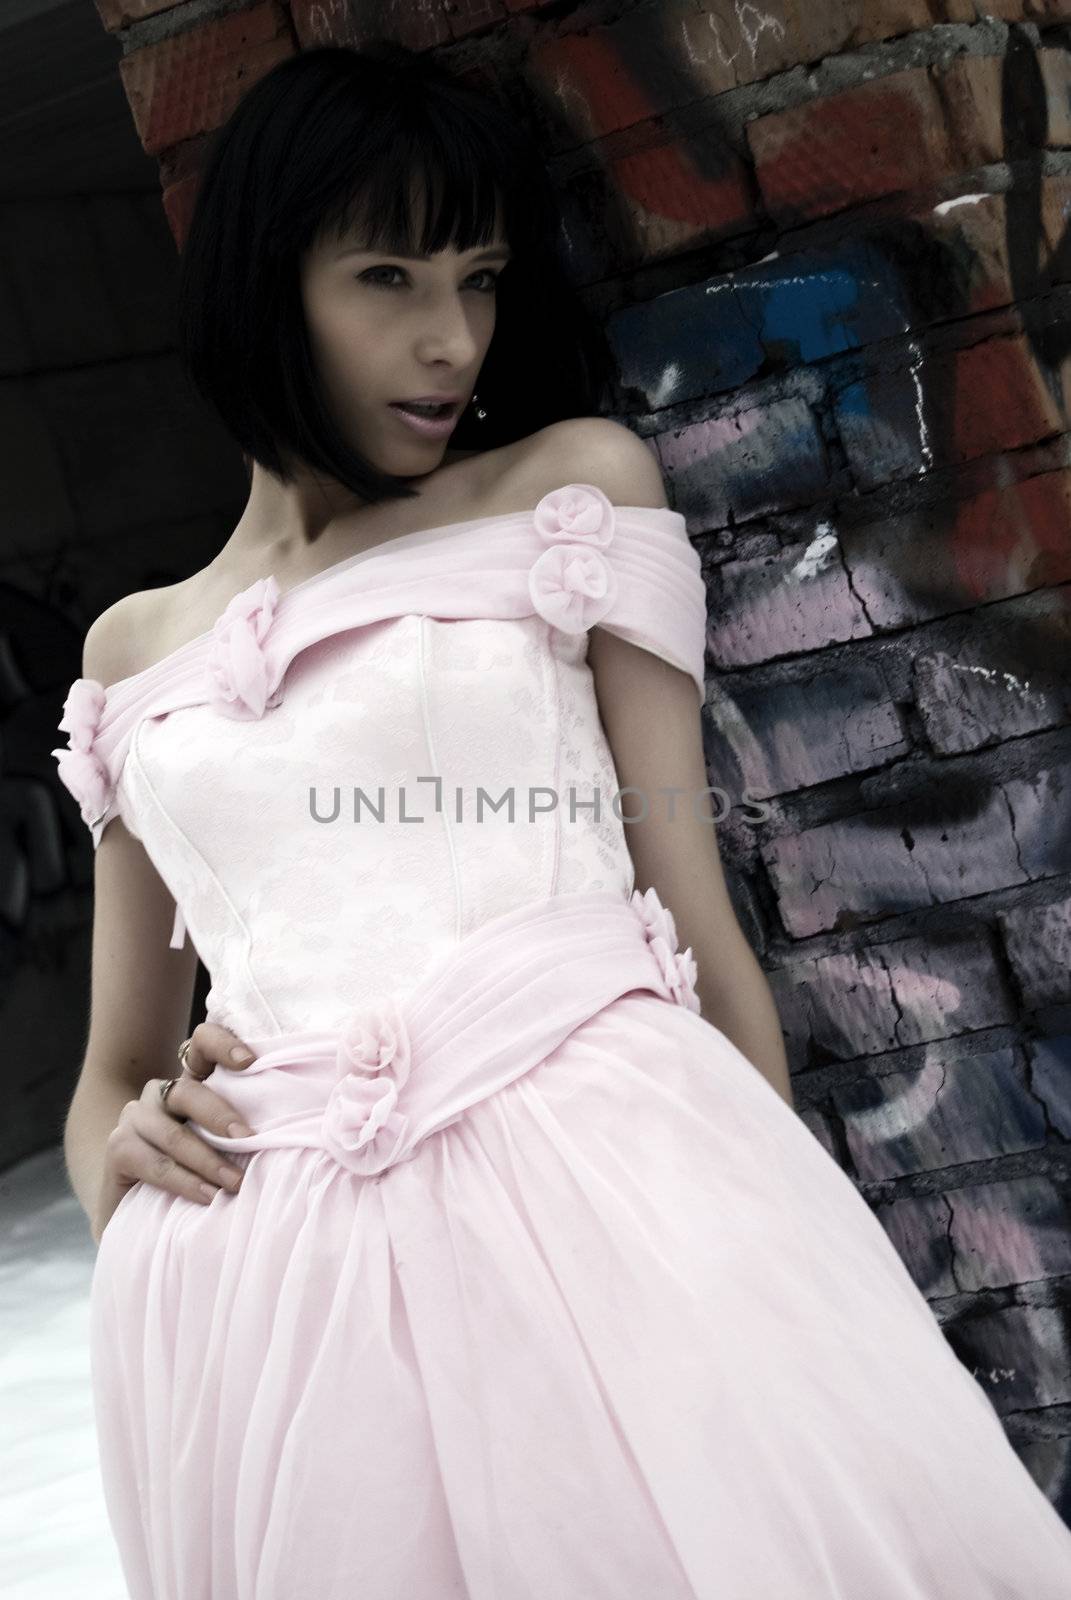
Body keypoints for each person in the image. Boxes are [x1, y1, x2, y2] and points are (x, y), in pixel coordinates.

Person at [55, 40, 1071, 1600]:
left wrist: (763, 1236)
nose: (449, 339)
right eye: (385, 277)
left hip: (607, 1189)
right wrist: (123, 1160)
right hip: (271, 1298)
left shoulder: (568, 494)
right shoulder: (132, 649)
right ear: (266, 284)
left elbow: (697, 919)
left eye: (476, 278)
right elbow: (113, 1073)